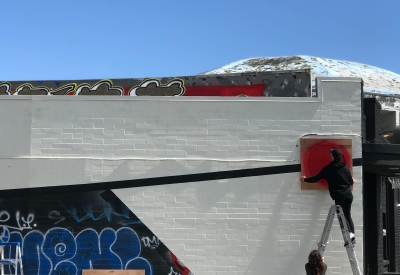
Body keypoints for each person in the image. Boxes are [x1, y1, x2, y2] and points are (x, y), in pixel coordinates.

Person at [301, 148, 355, 245]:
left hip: (339, 196)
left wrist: (305, 180)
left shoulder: (328, 169)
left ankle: (349, 237)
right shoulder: (345, 167)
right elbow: (351, 182)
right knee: (347, 215)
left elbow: (316, 178)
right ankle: (352, 235)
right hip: (348, 195)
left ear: (333, 157)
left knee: (342, 217)